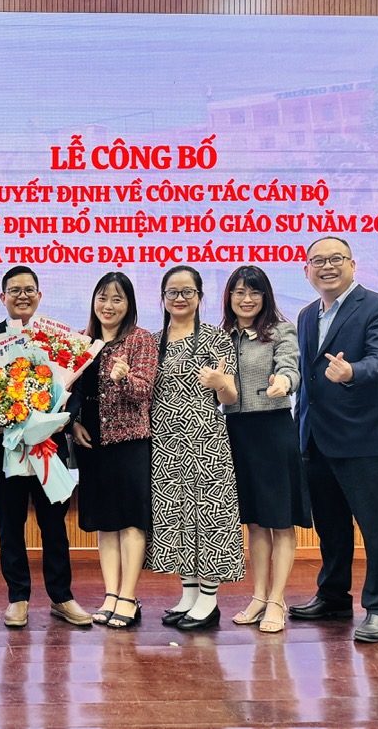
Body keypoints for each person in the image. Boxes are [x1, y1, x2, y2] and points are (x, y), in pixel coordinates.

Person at [290, 236, 378, 644]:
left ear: (353, 265)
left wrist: (352, 372)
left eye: (336, 258)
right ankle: (333, 597)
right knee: (331, 526)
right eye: (317, 260)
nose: (327, 266)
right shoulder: (307, 314)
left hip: (365, 438)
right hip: (316, 439)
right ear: (306, 269)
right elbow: (308, 379)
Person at [0, 265, 93, 629]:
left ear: (39, 296)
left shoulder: (59, 339)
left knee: (54, 525)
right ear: (2, 297)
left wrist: (65, 418)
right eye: (14, 290)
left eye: (29, 290)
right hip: (5, 449)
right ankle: (18, 598)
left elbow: (74, 388)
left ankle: (61, 597)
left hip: (48, 448)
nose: (22, 296)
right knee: (10, 525)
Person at [148, 264, 243, 630]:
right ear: (163, 298)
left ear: (200, 296)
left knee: (209, 515)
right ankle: (188, 594)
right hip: (165, 441)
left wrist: (220, 382)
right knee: (177, 515)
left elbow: (231, 397)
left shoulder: (216, 338)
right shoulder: (153, 341)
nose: (180, 298)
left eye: (187, 291)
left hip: (205, 440)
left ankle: (208, 599)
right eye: (173, 292)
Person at [218, 265, 310, 634]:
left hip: (273, 430)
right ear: (229, 297)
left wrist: (283, 382)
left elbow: (290, 367)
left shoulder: (280, 331)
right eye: (239, 292)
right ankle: (258, 596)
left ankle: (277, 599)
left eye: (254, 292)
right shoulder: (222, 337)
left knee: (280, 520)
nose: (247, 299)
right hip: (237, 433)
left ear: (265, 296)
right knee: (255, 522)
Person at [66, 272, 158, 629]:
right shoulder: (81, 341)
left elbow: (144, 392)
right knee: (105, 523)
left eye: (117, 299)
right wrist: (73, 424)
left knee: (131, 521)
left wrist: (124, 378)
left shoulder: (140, 339)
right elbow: (70, 392)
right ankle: (110, 594)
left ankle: (128, 597)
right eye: (103, 298)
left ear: (129, 304)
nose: (108, 306)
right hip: (93, 443)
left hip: (130, 442)